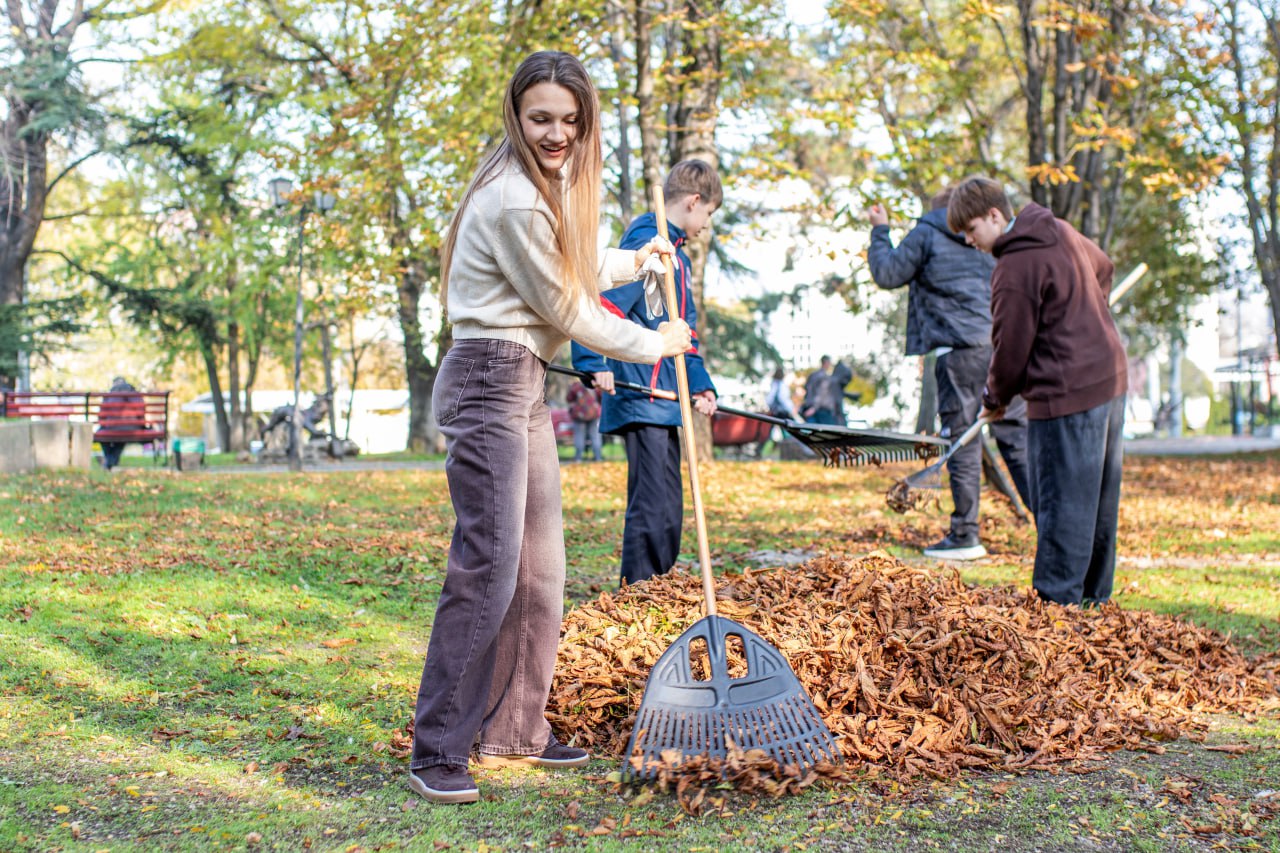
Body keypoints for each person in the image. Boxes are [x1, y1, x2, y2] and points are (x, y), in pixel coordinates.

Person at [409, 51, 692, 806]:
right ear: (516, 114)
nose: (557, 132)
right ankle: (436, 745)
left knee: (541, 571)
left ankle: (516, 728)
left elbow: (566, 270)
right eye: (541, 118)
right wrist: (652, 344)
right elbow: (567, 309)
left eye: (570, 119)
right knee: (491, 564)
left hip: (524, 380)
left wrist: (635, 261)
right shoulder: (511, 197)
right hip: (488, 379)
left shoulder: (543, 188)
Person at [947, 176, 1127, 606]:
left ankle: (1057, 609)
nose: (970, 241)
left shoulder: (1012, 268)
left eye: (971, 230)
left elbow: (1009, 350)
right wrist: (1083, 314)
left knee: (1062, 503)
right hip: (1110, 378)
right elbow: (1103, 266)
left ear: (994, 215)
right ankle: (1093, 601)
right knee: (1099, 499)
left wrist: (995, 398)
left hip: (1064, 394)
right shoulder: (1060, 230)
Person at [572, 158, 720, 588]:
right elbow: (602, 302)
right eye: (707, 215)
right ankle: (638, 595)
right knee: (653, 507)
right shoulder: (649, 239)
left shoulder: (680, 257)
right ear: (694, 202)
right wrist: (592, 360)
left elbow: (682, 335)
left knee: (668, 508)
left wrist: (701, 386)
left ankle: (659, 589)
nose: (704, 226)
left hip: (665, 400)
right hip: (641, 393)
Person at [867, 188, 1032, 561]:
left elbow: (888, 273)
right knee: (1017, 440)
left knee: (961, 441)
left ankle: (965, 534)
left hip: (959, 353)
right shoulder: (993, 240)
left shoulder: (926, 232)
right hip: (1002, 347)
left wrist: (880, 231)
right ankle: (1051, 523)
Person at [99, 377, 140, 470]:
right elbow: (141, 411)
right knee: (121, 438)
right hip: (131, 428)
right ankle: (111, 461)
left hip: (111, 427)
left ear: (114, 384)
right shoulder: (133, 393)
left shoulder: (109, 395)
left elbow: (102, 415)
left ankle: (109, 461)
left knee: (102, 435)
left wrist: (105, 424)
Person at [565, 379, 603, 461]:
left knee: (579, 437)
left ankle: (578, 459)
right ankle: (598, 458)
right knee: (595, 436)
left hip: (579, 415)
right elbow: (601, 397)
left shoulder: (576, 386)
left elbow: (569, 398)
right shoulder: (595, 385)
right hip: (594, 414)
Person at [800, 355, 837, 424]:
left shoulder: (813, 375)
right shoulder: (824, 377)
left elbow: (807, 390)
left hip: (811, 408)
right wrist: (814, 408)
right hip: (820, 411)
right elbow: (821, 393)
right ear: (826, 363)